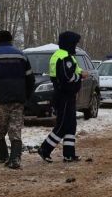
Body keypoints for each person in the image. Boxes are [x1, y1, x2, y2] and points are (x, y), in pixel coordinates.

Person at [0, 30, 35, 169]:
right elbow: (30, 79)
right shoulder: (22, 55)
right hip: (18, 100)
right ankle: (15, 159)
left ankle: (4, 156)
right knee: (15, 131)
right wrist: (26, 97)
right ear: (11, 40)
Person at [37, 31, 89, 163]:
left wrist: (79, 73)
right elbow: (67, 78)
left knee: (71, 125)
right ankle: (45, 149)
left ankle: (69, 154)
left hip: (67, 95)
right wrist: (80, 76)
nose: (76, 46)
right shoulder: (64, 57)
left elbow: (70, 73)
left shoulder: (64, 55)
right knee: (63, 125)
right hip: (64, 96)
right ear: (69, 43)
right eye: (75, 43)